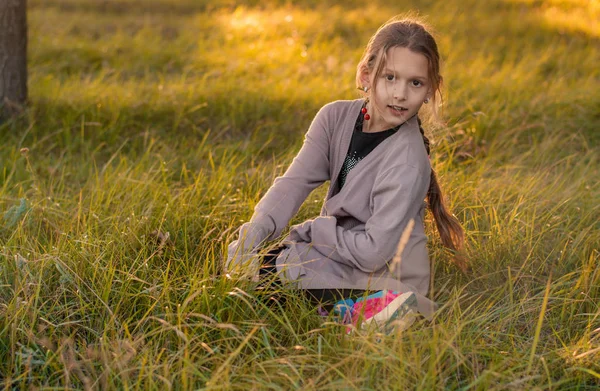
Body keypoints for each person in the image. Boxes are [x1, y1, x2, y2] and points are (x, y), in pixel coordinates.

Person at [225, 16, 465, 331]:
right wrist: (252, 235)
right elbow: (292, 184)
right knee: (259, 268)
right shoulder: (333, 118)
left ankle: (393, 311)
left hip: (383, 272)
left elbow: (372, 253)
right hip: (338, 258)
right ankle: (344, 313)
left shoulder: (407, 159)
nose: (400, 94)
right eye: (389, 77)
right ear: (366, 75)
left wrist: (316, 230)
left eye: (415, 83)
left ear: (431, 89)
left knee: (283, 274)